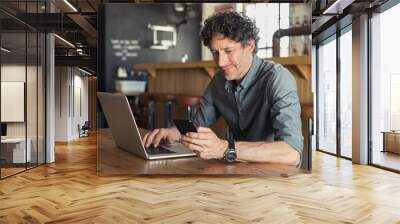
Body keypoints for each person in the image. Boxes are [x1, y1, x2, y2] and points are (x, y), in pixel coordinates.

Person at [143, 11, 303, 166]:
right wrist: (172, 132)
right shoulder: (220, 79)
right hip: (239, 170)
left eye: (228, 51)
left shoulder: (278, 79)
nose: (220, 62)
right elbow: (197, 123)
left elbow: (292, 153)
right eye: (215, 53)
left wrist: (224, 148)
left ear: (250, 46)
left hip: (275, 177)